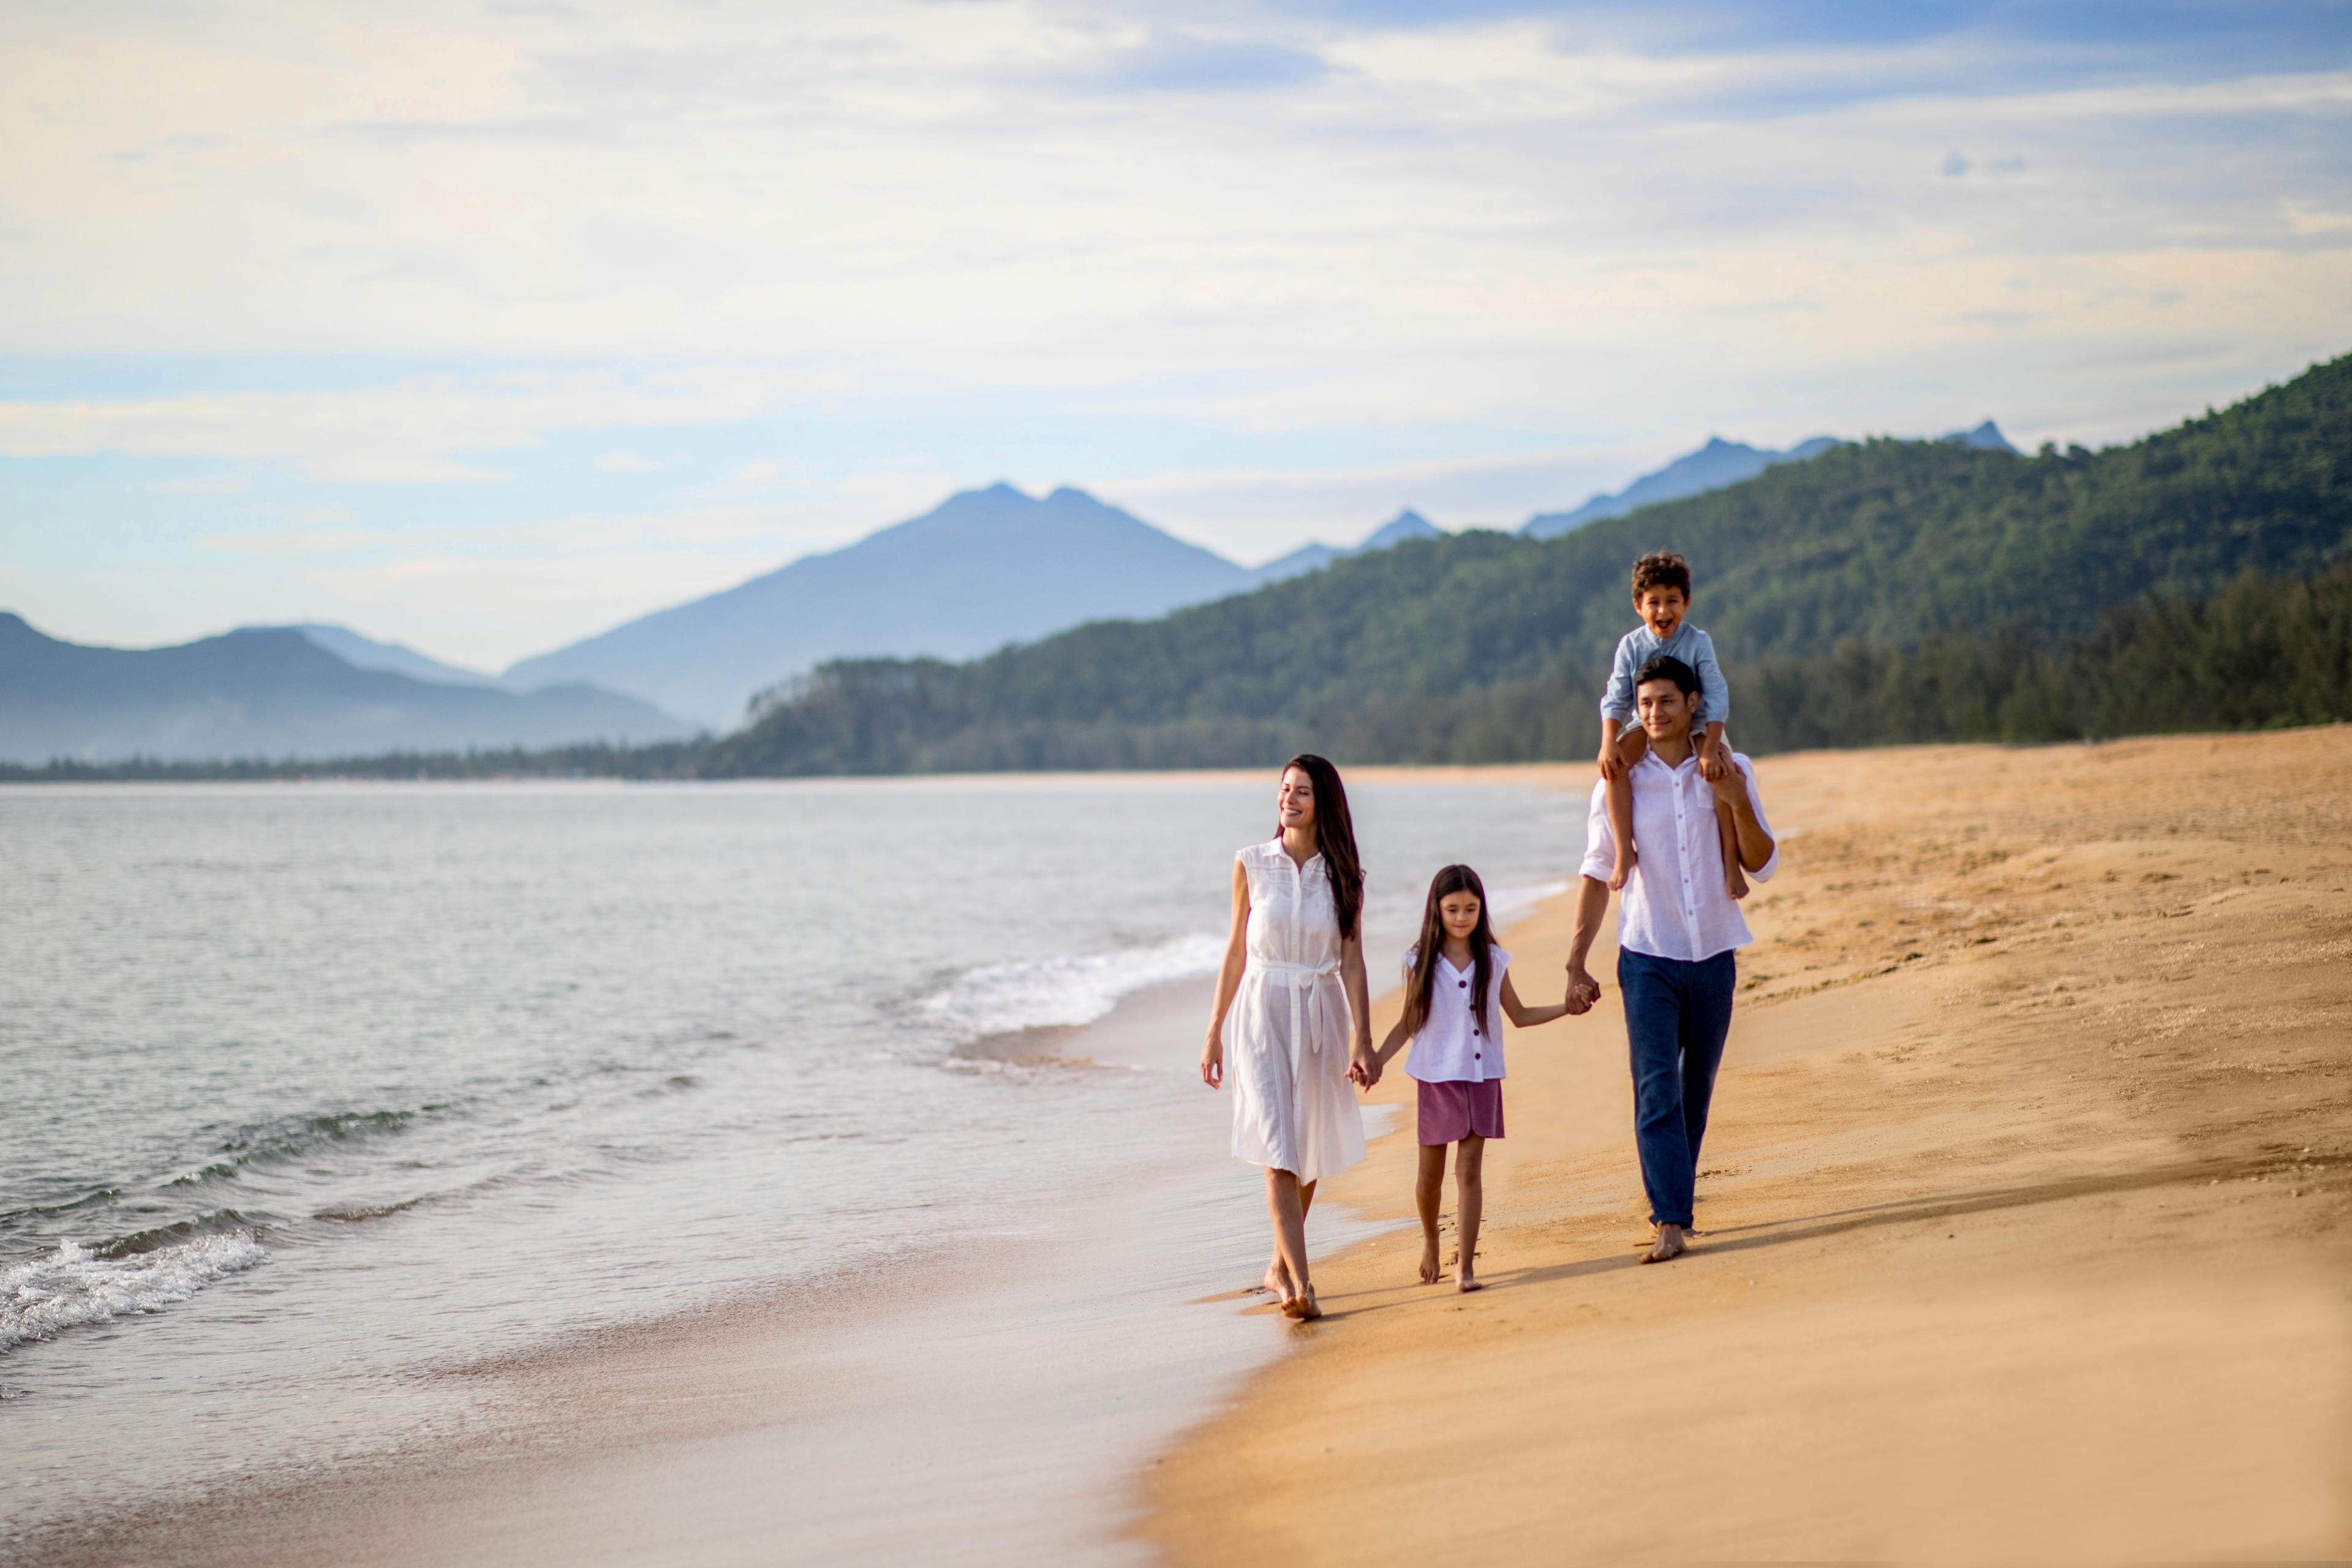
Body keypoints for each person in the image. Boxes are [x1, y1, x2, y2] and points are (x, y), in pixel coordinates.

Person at [1566, 653, 1777, 1264]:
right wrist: (1576, 960)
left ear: (1693, 705)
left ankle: (1672, 1200)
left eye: (1665, 701)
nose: (1653, 713)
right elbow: (1594, 868)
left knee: (1695, 1091)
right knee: (1655, 1087)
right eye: (1645, 703)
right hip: (1647, 952)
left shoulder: (1729, 769)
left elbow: (1763, 863)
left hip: (1714, 951)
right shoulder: (1618, 782)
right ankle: (1670, 1218)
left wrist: (1737, 799)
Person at [1200, 754, 1377, 1321]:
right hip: (1261, 1011)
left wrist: (1363, 1040)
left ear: (1323, 800)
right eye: (1284, 790)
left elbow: (1352, 961)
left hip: (1321, 1009)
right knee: (1279, 1152)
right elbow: (1233, 952)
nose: (1289, 800)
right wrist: (1213, 1032)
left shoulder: (1345, 876)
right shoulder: (1252, 864)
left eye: (1301, 791)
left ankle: (1279, 1262)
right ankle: (1300, 1284)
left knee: (1311, 1148)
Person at [1360, 864, 1582, 1292]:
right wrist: (1377, 1059)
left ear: (1482, 909)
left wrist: (1565, 1008)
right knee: (1429, 1176)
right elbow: (1409, 1021)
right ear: (1437, 910)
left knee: (1470, 1171)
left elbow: (1517, 1015)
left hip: (1482, 1076)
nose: (1462, 918)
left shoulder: (1494, 961)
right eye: (1453, 909)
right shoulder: (1420, 960)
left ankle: (1465, 1266)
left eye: (1471, 909)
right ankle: (1430, 1239)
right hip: (1436, 1078)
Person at [1596, 550, 1746, 900]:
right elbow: (1616, 696)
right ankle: (1623, 852)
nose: (1663, 611)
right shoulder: (1630, 645)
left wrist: (1710, 749)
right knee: (1614, 767)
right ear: (1638, 606)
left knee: (1720, 772)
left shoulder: (1698, 641)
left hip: (1697, 723)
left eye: (1672, 601)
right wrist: (1608, 741)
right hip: (1646, 722)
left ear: (1687, 602)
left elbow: (1717, 695)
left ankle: (1731, 864)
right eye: (1654, 602)